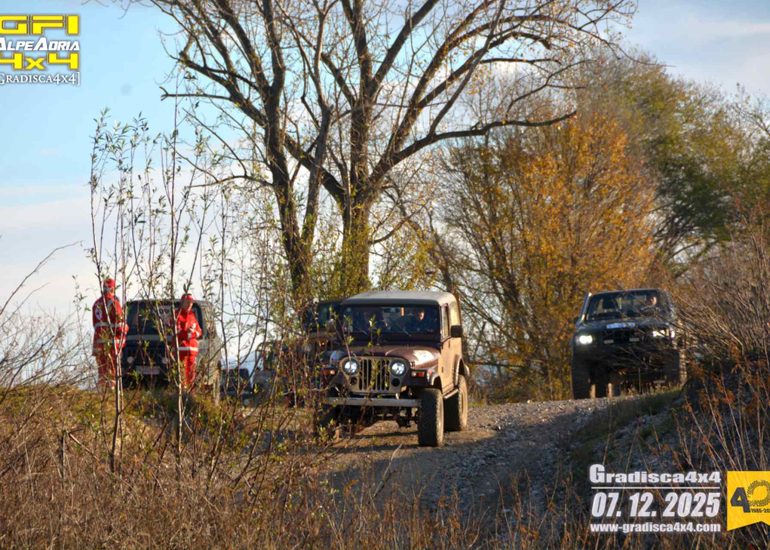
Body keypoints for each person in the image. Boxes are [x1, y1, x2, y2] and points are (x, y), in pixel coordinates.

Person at [92, 277, 126, 389]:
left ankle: (102, 393)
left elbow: (96, 325)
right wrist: (126, 328)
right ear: (113, 288)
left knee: (102, 371)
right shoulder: (114, 303)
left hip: (98, 343)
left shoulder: (96, 304)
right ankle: (112, 394)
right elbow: (119, 326)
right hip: (111, 344)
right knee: (112, 371)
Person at [176, 293, 203, 390]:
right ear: (182, 302)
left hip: (192, 351)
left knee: (191, 376)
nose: (190, 304)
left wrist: (192, 333)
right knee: (182, 376)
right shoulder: (177, 315)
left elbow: (199, 331)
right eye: (187, 302)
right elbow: (178, 332)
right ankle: (182, 394)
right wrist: (189, 334)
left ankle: (190, 395)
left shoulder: (192, 316)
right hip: (181, 351)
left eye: (191, 302)